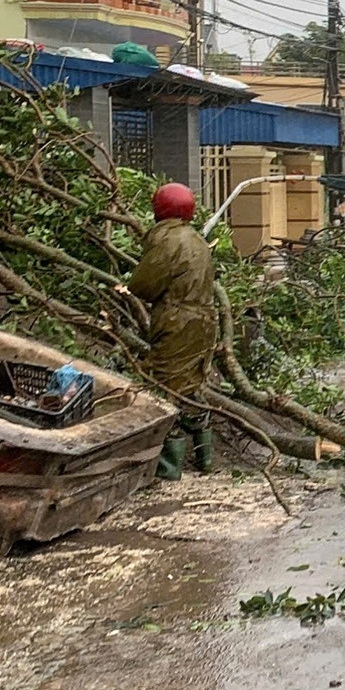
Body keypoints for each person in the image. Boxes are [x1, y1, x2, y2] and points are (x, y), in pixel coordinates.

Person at [125, 182, 217, 478]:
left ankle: (168, 468)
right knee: (190, 385)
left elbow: (143, 285)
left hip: (177, 322)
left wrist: (128, 287)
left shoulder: (168, 241)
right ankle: (206, 459)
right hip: (203, 322)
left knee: (163, 388)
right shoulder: (196, 240)